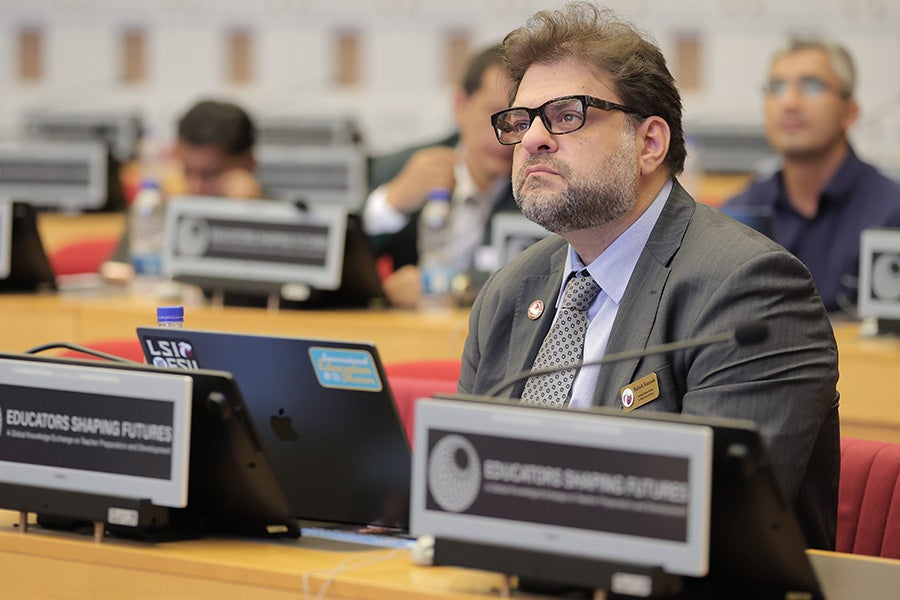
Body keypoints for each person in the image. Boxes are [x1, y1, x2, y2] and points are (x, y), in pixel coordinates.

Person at [459, 2, 839, 550]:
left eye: (567, 116)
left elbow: (712, 518)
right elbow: (465, 482)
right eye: (521, 122)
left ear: (650, 142)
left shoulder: (750, 291)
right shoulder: (510, 292)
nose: (534, 140)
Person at [722, 37, 900, 314]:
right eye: (777, 87)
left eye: (812, 85)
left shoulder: (891, 212)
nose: (790, 102)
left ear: (850, 113)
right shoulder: (741, 212)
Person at [362, 44, 517, 308]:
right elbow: (343, 266)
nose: (507, 135)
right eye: (495, 115)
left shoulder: (543, 182)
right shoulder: (395, 168)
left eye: (521, 119)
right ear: (460, 105)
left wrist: (455, 285)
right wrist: (392, 203)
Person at [103, 98, 262, 273]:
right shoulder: (158, 210)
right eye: (187, 171)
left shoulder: (284, 224)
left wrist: (251, 212)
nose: (195, 188)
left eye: (210, 175)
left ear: (249, 163)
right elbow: (119, 276)